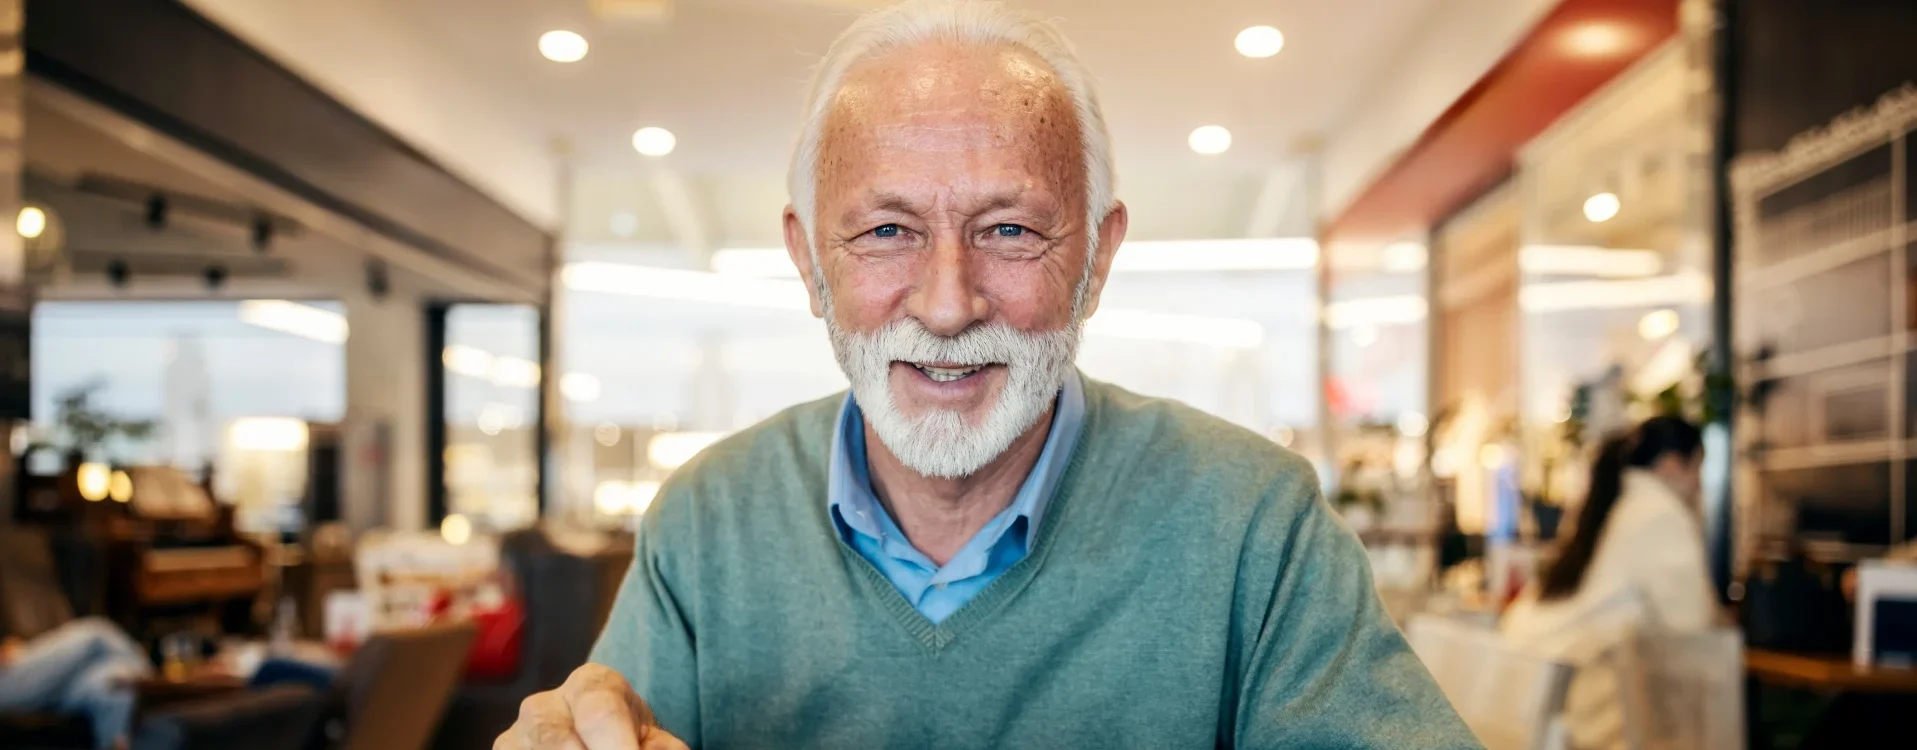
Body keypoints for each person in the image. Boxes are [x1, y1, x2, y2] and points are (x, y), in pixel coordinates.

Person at [497, 1, 1475, 748]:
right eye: (887, 232)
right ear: (808, 263)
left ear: (1095, 256)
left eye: (1009, 229)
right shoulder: (708, 521)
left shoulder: (1256, 523)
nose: (949, 302)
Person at [1500, 415, 1717, 750]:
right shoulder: (1659, 511)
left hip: (1526, 688)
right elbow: (1691, 631)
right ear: (1673, 465)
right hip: (1570, 703)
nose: (1699, 487)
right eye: (1698, 470)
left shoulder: (1611, 501)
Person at [0, 618, 152, 749]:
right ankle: (149, 674)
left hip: (21, 661)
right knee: (96, 632)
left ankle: (145, 677)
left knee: (115, 684)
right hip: (6, 677)